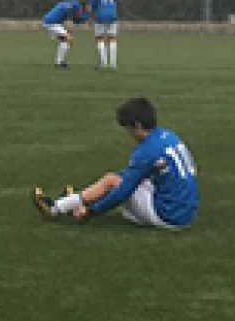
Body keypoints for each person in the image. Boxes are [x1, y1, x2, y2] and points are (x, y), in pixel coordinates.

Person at [32, 96, 198, 230]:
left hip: (168, 216)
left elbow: (121, 193)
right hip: (186, 213)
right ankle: (76, 201)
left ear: (138, 126)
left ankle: (56, 209)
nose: (128, 134)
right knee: (127, 177)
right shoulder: (169, 136)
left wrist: (91, 212)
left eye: (128, 128)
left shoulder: (146, 150)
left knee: (113, 181)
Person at [40, 0, 89, 70]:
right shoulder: (75, 4)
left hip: (51, 22)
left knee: (66, 40)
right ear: (83, 6)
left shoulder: (72, 5)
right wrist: (70, 23)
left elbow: (76, 18)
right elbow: (70, 13)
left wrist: (82, 20)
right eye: (88, 7)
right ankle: (59, 63)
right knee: (68, 39)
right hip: (51, 22)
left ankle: (59, 62)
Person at [90, 0, 120, 70]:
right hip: (112, 15)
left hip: (100, 15)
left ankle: (103, 64)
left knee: (100, 38)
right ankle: (113, 65)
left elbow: (93, 4)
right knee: (112, 39)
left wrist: (91, 11)